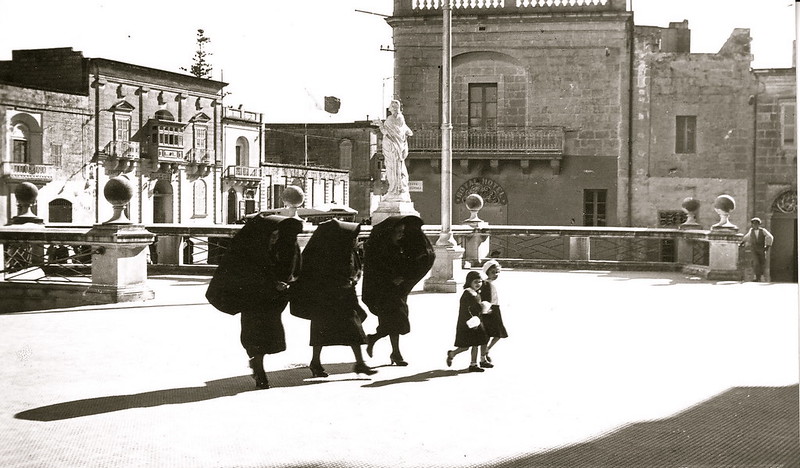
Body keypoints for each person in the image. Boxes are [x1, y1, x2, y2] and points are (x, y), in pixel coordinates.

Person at [205, 214, 303, 390]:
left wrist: (285, 282)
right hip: (253, 298)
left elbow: (292, 267)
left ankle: (257, 365)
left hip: (273, 300)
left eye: (277, 236)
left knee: (269, 335)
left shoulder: (282, 246)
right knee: (255, 334)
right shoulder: (248, 250)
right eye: (272, 236)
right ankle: (259, 369)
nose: (274, 239)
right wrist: (271, 283)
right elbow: (243, 274)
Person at [291, 219, 377, 377]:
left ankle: (359, 363)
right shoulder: (325, 254)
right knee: (324, 331)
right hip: (327, 299)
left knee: (352, 328)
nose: (355, 240)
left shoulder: (347, 251)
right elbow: (319, 275)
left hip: (343, 298)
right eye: (352, 237)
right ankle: (318, 362)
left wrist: (353, 278)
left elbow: (354, 270)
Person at [362, 215, 435, 366]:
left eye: (403, 231)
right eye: (399, 231)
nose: (402, 234)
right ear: (391, 232)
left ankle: (378, 341)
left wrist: (405, 276)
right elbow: (377, 269)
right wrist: (391, 279)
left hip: (398, 290)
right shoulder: (382, 250)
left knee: (395, 320)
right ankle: (395, 352)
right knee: (396, 320)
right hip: (385, 290)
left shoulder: (402, 247)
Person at [446, 271, 490, 373]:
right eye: (475, 281)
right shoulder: (468, 294)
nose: (478, 284)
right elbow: (468, 310)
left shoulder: (475, 293)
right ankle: (452, 354)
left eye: (480, 282)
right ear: (469, 282)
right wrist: (474, 320)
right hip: (468, 323)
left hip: (475, 322)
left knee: (476, 343)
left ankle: (473, 364)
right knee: (465, 346)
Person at [372, 100, 413, 197]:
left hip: (391, 147)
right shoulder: (401, 118)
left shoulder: (390, 119)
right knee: (396, 168)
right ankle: (397, 188)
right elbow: (408, 131)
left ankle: (394, 189)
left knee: (391, 168)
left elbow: (386, 132)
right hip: (397, 147)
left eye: (391, 106)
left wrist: (380, 124)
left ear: (392, 108)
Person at [478, 260, 508, 364]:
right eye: (493, 272)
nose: (495, 275)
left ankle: (487, 350)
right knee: (487, 335)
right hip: (488, 311)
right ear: (487, 272)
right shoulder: (485, 284)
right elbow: (483, 299)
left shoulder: (497, 283)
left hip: (496, 309)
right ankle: (482, 357)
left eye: (497, 272)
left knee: (499, 333)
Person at [739, 217, 774, 282]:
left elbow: (770, 237)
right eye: (754, 224)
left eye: (756, 223)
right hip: (754, 249)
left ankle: (760, 276)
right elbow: (747, 237)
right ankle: (756, 277)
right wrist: (742, 242)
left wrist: (768, 246)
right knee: (756, 262)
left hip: (761, 249)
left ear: (759, 224)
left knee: (762, 262)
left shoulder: (763, 230)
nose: (755, 225)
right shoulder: (751, 231)